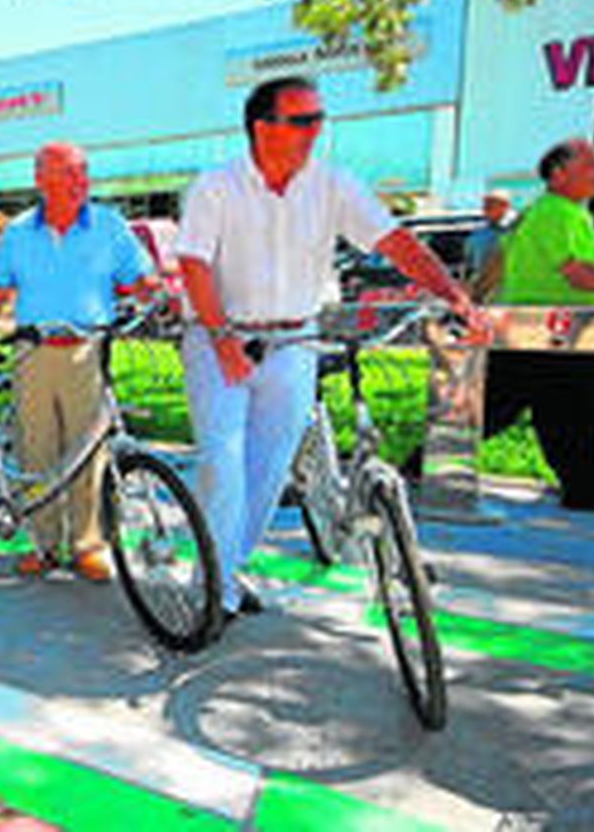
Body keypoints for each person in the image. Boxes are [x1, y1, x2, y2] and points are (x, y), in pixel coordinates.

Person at [175, 76, 481, 624]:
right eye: (301, 120)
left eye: (319, 120)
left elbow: (396, 243)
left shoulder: (334, 185)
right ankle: (215, 589)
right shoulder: (215, 187)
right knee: (224, 460)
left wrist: (452, 293)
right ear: (262, 127)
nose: (314, 131)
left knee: (269, 467)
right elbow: (193, 264)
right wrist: (222, 340)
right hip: (219, 334)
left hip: (295, 337)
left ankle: (222, 569)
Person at [0, 142, 154, 582]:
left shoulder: (110, 226)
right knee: (36, 450)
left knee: (88, 454)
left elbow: (139, 279)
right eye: (69, 173)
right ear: (41, 180)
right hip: (32, 354)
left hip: (87, 352)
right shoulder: (19, 232)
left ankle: (87, 545)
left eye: (84, 172)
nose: (82, 181)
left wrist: (157, 297)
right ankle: (42, 544)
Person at [485, 138, 594, 511]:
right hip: (562, 330)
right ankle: (585, 489)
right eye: (591, 165)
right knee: (572, 412)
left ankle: (417, 463)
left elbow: (497, 260)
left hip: (531, 325)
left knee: (497, 406)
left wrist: (471, 294)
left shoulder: (541, 211)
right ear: (558, 173)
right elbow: (579, 274)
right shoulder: (559, 212)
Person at [465, 188, 516, 300]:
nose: (485, 208)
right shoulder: (478, 234)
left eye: (491, 204)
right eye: (485, 204)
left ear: (505, 206)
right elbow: (469, 266)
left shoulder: (517, 230)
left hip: (511, 293)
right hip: (484, 294)